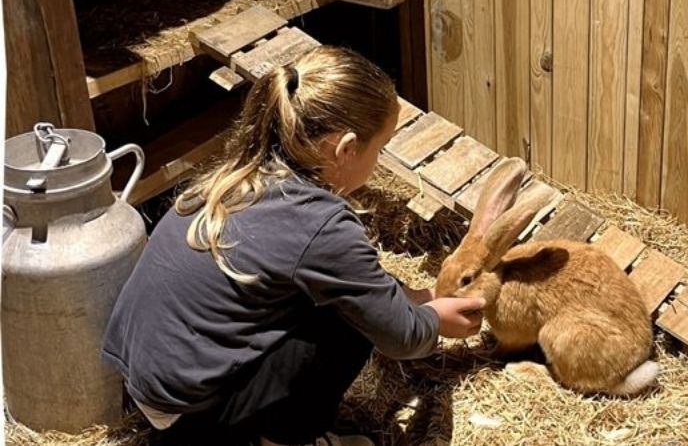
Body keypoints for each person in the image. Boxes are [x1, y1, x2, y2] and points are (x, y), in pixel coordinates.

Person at [102, 46, 486, 446]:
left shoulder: (238, 176)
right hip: (194, 419)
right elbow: (400, 336)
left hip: (149, 392)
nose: (378, 161)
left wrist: (408, 296)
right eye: (380, 148)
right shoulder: (320, 223)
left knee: (342, 294)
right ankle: (282, 440)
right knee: (346, 323)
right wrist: (434, 321)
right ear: (346, 149)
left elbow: (349, 274)